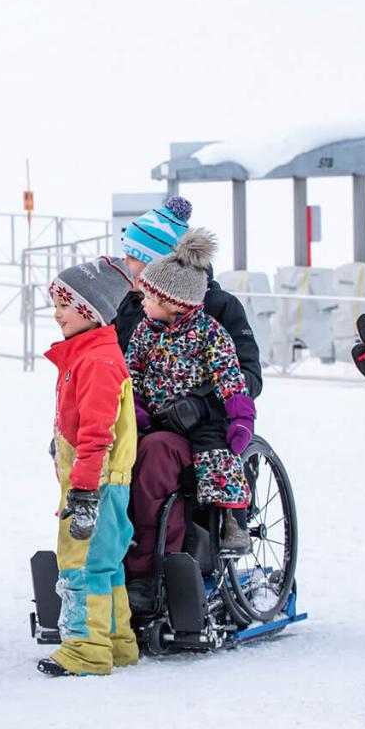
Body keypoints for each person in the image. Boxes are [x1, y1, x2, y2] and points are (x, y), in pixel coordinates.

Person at [119, 229, 255, 616]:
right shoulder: (143, 326)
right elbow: (130, 372)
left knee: (202, 456)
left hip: (203, 422)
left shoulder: (214, 326)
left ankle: (230, 521)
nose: (140, 298)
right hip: (154, 419)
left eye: (135, 258)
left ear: (170, 300)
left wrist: (222, 409)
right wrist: (135, 407)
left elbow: (236, 374)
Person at [37, 258, 139, 677]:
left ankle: (85, 647)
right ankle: (117, 641)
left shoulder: (96, 361)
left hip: (92, 484)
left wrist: (82, 494)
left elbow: (98, 434)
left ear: (91, 311)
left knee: (80, 563)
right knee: (107, 564)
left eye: (65, 304)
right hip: (103, 483)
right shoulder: (90, 355)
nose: (57, 313)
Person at [116, 196, 262, 398]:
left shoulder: (219, 306)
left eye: (133, 257)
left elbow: (249, 375)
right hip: (139, 422)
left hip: (205, 426)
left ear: (158, 265)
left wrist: (200, 406)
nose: (124, 263)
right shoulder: (128, 303)